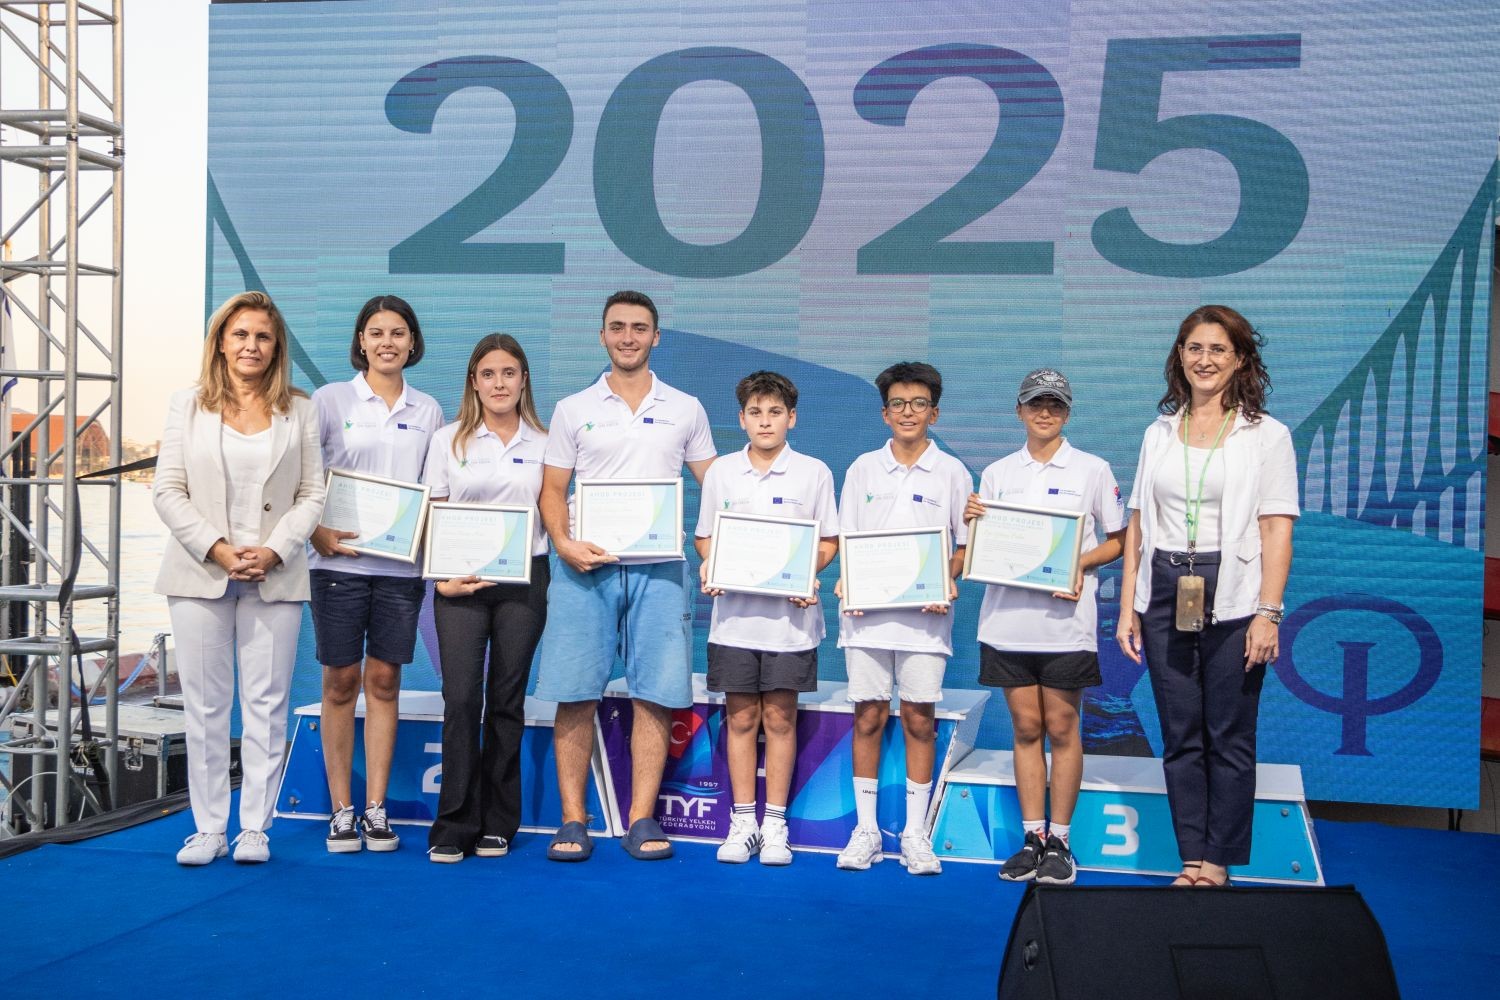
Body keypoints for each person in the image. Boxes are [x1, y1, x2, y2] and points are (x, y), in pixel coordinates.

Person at [1116, 305, 1297, 889]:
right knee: (1179, 733)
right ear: (1180, 356)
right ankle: (1190, 856)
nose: (1205, 359)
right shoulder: (1158, 432)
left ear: (1240, 359)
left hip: (1235, 592)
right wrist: (1129, 605)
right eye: (1194, 348)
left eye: (1218, 349)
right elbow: (1138, 523)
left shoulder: (1266, 435)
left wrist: (1268, 613)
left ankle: (1218, 860)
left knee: (1229, 732)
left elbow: (1277, 529)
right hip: (1165, 586)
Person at [533, 290, 716, 862]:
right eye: (618, 327)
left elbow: (718, 486)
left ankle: (641, 819)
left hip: (661, 570)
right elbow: (552, 491)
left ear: (656, 336)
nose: (628, 337)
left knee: (655, 695)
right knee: (574, 693)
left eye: (639, 328)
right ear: (603, 335)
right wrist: (563, 543)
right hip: (584, 567)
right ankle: (572, 820)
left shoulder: (686, 407)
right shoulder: (572, 408)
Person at [153, 291, 325, 865]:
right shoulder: (187, 405)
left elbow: (313, 493)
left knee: (267, 704)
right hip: (200, 571)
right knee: (205, 707)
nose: (251, 345)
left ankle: (255, 827)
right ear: (221, 343)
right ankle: (208, 828)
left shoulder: (301, 410)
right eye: (241, 334)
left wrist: (275, 551)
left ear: (276, 347)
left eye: (263, 336)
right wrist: (218, 549)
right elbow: (167, 490)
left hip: (275, 575)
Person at [965, 369, 1125, 886]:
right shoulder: (996, 473)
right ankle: (1032, 837)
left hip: (1065, 626)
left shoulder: (1092, 469)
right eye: (1035, 403)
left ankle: (1061, 841)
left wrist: (1078, 564)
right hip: (1007, 624)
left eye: (1055, 404)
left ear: (1068, 412)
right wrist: (974, 523)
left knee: (1061, 727)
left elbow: (1119, 540)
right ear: (1019, 410)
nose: (1045, 412)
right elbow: (984, 546)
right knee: (1026, 728)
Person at [308, 294, 443, 854]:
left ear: (412, 343)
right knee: (341, 682)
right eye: (376, 332)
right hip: (336, 564)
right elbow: (303, 477)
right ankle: (342, 810)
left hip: (399, 570)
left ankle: (376, 808)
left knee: (385, 681)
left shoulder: (428, 410)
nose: (387, 342)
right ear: (361, 341)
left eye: (398, 333)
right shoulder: (329, 400)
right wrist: (315, 531)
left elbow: (434, 492)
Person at [695, 371, 838, 866]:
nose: (765, 421)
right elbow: (705, 537)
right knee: (740, 718)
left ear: (791, 418)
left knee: (779, 717)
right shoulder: (721, 473)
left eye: (775, 412)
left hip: (789, 624)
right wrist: (711, 564)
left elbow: (828, 542)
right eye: (755, 412)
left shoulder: (814, 473)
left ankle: (774, 824)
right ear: (741, 419)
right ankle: (743, 822)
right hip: (734, 622)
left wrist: (806, 572)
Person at [834, 362, 969, 876]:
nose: (907, 412)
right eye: (898, 404)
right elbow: (848, 539)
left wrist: (944, 580)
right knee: (867, 716)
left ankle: (915, 833)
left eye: (918, 404)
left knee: (918, 719)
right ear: (884, 413)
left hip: (924, 619)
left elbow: (962, 547)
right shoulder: (862, 468)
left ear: (934, 412)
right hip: (866, 617)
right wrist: (849, 582)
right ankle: (866, 830)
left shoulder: (952, 472)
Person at [423, 335, 550, 863]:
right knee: (460, 700)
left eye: (509, 373)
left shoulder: (546, 443)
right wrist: (440, 580)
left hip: (525, 580)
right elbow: (434, 512)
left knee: (506, 701)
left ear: (524, 380)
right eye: (489, 374)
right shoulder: (447, 440)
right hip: (459, 584)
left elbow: (556, 511)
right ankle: (454, 823)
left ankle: (498, 822)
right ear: (473, 382)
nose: (499, 383)